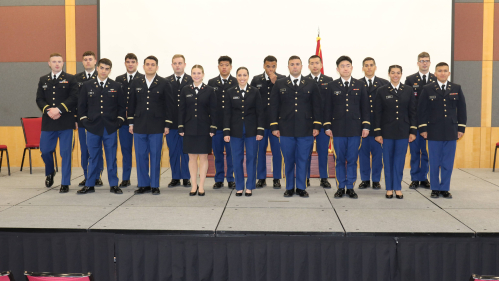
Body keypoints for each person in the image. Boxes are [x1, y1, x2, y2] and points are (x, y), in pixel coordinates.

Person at [269, 55, 322, 197]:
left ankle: (301, 187)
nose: (294, 66)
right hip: (285, 129)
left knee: (303, 158)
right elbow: (274, 106)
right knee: (288, 158)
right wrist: (274, 126)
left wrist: (317, 125)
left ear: (302, 66)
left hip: (306, 129)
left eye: (297, 64)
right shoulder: (280, 84)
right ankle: (289, 187)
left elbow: (317, 106)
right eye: (292, 64)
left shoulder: (310, 83)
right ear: (288, 67)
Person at [77, 58, 126, 194]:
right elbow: (81, 107)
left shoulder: (116, 86)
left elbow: (121, 108)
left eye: (107, 68)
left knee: (111, 157)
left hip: (110, 128)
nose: (104, 71)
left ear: (110, 70)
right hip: (93, 127)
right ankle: (90, 184)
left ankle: (114, 184)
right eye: (102, 68)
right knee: (93, 157)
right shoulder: (87, 85)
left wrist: (118, 122)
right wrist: (85, 122)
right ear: (97, 68)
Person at [418, 62, 467, 199]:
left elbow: (462, 109)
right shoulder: (428, 89)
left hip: (451, 131)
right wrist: (423, 128)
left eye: (445, 71)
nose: (443, 73)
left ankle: (445, 188)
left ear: (449, 73)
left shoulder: (456, 88)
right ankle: (435, 188)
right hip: (433, 131)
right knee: (434, 161)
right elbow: (422, 110)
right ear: (435, 73)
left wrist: (461, 128)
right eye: (440, 71)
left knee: (448, 162)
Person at [324, 56, 369, 199]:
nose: (345, 68)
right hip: (337, 129)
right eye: (342, 66)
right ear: (337, 69)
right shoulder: (332, 85)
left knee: (352, 158)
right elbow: (328, 108)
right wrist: (327, 126)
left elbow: (365, 108)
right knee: (339, 159)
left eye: (348, 65)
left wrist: (366, 126)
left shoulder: (360, 85)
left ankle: (350, 187)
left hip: (355, 129)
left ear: (352, 68)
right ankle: (340, 186)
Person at [127, 55, 173, 195]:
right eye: (147, 64)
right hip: (139, 124)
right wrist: (131, 123)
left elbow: (169, 106)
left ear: (157, 67)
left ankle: (154, 185)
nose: (150, 67)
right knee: (140, 155)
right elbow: (131, 104)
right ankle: (143, 184)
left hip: (157, 125)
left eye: (153, 65)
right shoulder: (136, 82)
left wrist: (167, 124)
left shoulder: (164, 83)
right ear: (143, 66)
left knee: (155, 155)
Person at [36, 53, 78, 193]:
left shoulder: (71, 79)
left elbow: (73, 98)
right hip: (49, 121)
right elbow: (39, 99)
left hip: (65, 121)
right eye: (54, 61)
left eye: (59, 61)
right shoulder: (43, 80)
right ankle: (50, 171)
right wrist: (48, 110)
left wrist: (59, 110)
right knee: (45, 150)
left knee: (65, 153)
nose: (57, 64)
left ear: (63, 63)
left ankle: (65, 182)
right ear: (49, 63)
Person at [373, 65, 417, 199]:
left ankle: (397, 187)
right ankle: (389, 188)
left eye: (398, 73)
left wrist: (412, 131)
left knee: (399, 160)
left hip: (403, 131)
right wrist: (378, 132)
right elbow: (377, 113)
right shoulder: (382, 90)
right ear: (389, 74)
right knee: (387, 160)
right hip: (387, 131)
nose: (395, 75)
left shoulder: (408, 90)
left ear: (401, 74)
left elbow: (412, 112)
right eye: (393, 73)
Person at [224, 67, 264, 196]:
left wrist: (260, 130)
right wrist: (226, 132)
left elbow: (260, 112)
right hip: (235, 130)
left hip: (252, 130)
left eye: (244, 75)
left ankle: (250, 186)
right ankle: (239, 186)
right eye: (240, 75)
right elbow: (227, 114)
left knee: (252, 158)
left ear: (248, 76)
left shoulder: (255, 91)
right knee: (237, 159)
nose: (242, 78)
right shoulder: (230, 92)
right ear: (236, 77)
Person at [179, 65, 217, 196]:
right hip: (189, 128)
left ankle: (201, 186)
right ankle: (193, 185)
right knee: (192, 158)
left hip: (204, 129)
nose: (196, 75)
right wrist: (181, 126)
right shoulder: (185, 90)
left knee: (204, 157)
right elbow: (182, 110)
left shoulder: (210, 90)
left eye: (199, 73)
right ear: (191, 75)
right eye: (194, 73)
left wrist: (213, 126)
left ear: (203, 74)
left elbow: (214, 111)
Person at [250, 56, 285, 188]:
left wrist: (276, 82)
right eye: (268, 66)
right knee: (260, 151)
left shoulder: (282, 79)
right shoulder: (256, 79)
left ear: (276, 66)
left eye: (273, 66)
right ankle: (261, 178)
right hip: (261, 122)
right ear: (264, 66)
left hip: (277, 123)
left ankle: (277, 178)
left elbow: (285, 99)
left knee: (277, 152)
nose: (271, 69)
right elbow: (251, 99)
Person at [404, 52, 436, 189]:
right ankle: (415, 178)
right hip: (415, 122)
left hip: (432, 123)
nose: (424, 63)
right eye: (422, 61)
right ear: (418, 63)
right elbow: (407, 102)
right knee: (415, 151)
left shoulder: (436, 79)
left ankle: (424, 178)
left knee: (427, 152)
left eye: (427, 61)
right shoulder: (410, 79)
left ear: (430, 63)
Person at [358, 57, 389, 190]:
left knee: (378, 155)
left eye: (371, 65)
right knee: (363, 154)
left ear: (375, 67)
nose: (369, 67)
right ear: (363, 68)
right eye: (366, 65)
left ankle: (376, 180)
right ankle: (365, 179)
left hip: (378, 126)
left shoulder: (384, 83)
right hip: (361, 126)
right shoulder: (357, 84)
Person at [115, 53, 144, 188]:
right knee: (125, 150)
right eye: (128, 62)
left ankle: (142, 179)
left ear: (137, 63)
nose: (130, 64)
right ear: (125, 63)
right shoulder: (118, 79)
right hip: (124, 122)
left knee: (141, 152)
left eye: (133, 61)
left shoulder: (143, 79)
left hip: (139, 121)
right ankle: (126, 178)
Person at [75, 51, 104, 188]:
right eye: (85, 59)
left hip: (98, 121)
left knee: (97, 149)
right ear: (82, 62)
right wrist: (76, 118)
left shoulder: (101, 78)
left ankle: (97, 176)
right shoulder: (76, 78)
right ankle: (87, 176)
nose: (88, 61)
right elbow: (76, 101)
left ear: (95, 62)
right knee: (85, 149)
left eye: (90, 59)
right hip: (82, 121)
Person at [208, 56, 236, 189]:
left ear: (231, 67)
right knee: (217, 153)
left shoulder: (236, 82)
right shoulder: (212, 82)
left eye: (226, 65)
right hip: (217, 125)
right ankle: (219, 178)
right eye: (221, 65)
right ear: (218, 67)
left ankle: (231, 178)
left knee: (231, 154)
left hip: (231, 126)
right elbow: (209, 105)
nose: (224, 67)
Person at [306, 55, 334, 188]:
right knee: (306, 152)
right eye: (312, 63)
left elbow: (330, 103)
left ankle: (324, 178)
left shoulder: (329, 80)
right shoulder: (304, 80)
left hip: (323, 123)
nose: (315, 65)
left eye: (317, 63)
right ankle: (305, 177)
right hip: (307, 124)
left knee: (323, 151)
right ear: (308, 66)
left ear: (321, 65)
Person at [166, 54, 192, 188]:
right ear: (172, 65)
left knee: (186, 151)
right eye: (175, 63)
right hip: (171, 124)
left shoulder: (191, 80)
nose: (177, 65)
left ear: (184, 65)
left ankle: (186, 177)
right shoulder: (166, 81)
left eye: (180, 63)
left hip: (187, 124)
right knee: (173, 151)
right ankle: (175, 177)